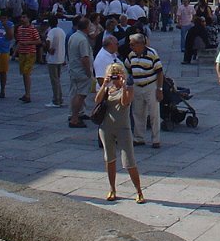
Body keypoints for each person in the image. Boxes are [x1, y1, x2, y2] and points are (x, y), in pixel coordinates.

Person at [94, 62, 145, 203]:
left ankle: (139, 190)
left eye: (117, 74)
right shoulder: (107, 88)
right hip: (106, 127)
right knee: (109, 158)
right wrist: (104, 85)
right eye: (113, 74)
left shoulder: (128, 88)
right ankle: (112, 189)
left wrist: (123, 86)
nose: (115, 77)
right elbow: (97, 100)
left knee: (129, 160)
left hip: (123, 128)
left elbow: (125, 102)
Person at [123, 33, 163, 149]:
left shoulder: (152, 53)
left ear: (140, 44)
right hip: (137, 86)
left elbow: (159, 72)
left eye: (132, 44)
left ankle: (156, 139)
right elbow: (127, 68)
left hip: (150, 86)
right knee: (138, 113)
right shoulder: (131, 55)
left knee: (154, 114)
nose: (131, 47)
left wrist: (159, 89)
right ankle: (138, 138)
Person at [66, 17, 94, 129]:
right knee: (80, 94)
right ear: (87, 27)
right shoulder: (82, 40)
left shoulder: (73, 36)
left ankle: (79, 113)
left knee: (77, 93)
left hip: (74, 69)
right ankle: (74, 119)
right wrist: (88, 72)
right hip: (81, 71)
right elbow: (84, 58)